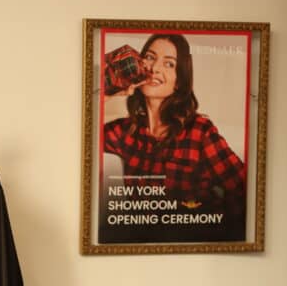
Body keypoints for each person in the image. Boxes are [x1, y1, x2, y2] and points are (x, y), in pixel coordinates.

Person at [103, 32, 246, 220]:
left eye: (169, 64)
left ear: (179, 81)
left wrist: (218, 229)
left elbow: (244, 187)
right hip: (144, 235)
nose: (154, 68)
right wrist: (109, 93)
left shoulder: (199, 131)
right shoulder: (125, 131)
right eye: (150, 57)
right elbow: (78, 139)